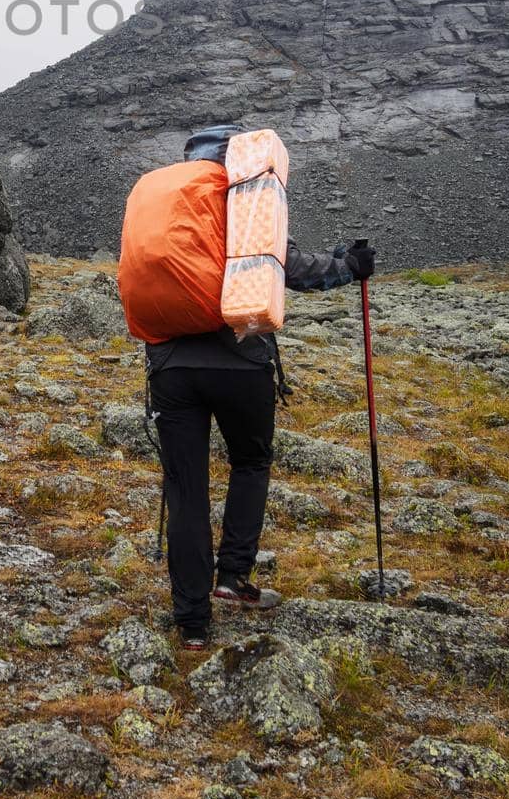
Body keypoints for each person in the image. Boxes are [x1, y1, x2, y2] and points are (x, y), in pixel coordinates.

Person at [146, 124, 376, 650]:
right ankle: (232, 577)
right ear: (237, 156)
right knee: (250, 462)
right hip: (241, 362)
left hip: (172, 366)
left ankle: (193, 624)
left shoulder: (168, 204)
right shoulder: (244, 197)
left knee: (185, 488)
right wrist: (348, 265)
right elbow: (289, 266)